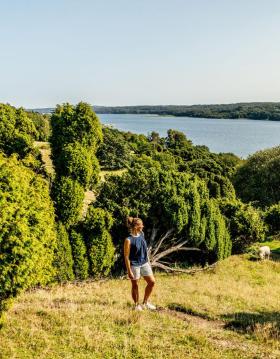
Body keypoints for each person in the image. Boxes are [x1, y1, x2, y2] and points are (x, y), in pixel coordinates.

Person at [124, 217, 156, 311]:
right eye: (141, 224)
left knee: (152, 282)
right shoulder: (128, 240)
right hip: (134, 265)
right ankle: (137, 305)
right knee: (135, 285)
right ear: (135, 226)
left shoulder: (142, 234)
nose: (143, 226)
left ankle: (145, 303)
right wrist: (129, 271)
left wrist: (148, 262)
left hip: (144, 263)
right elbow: (126, 256)